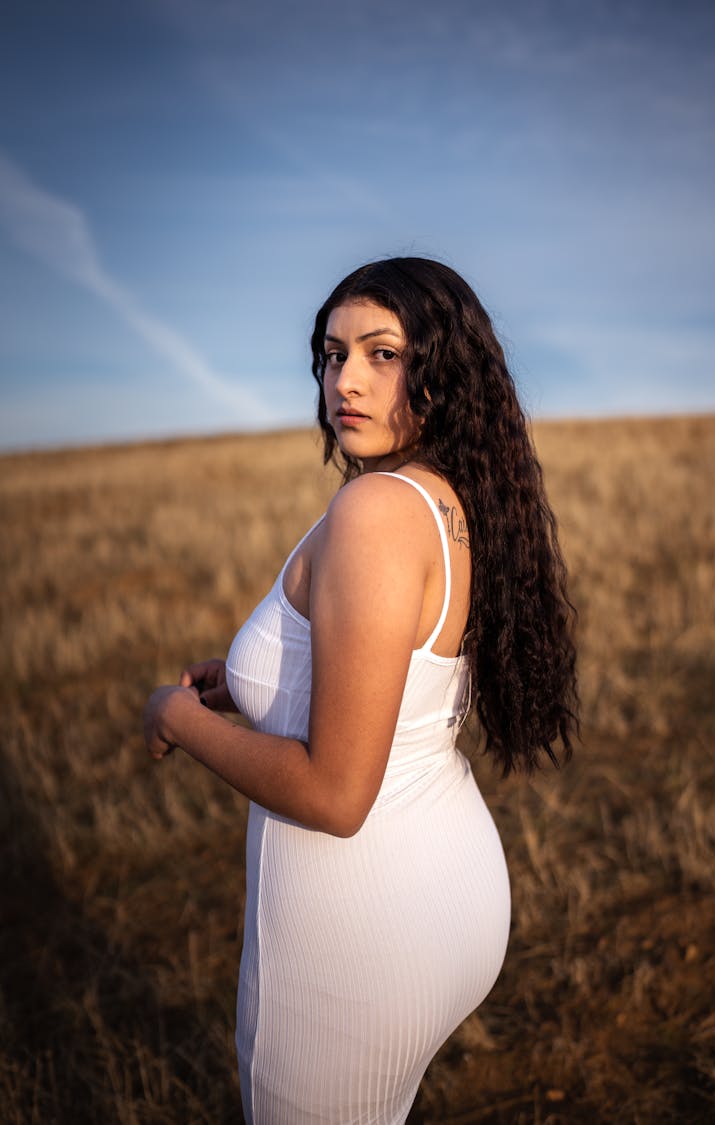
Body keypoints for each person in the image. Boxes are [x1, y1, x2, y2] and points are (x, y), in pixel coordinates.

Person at [143, 257, 578, 1124]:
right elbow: (401, 678)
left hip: (359, 924)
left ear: (442, 368)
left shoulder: (376, 513)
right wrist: (246, 684)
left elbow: (336, 794)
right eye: (334, 354)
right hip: (440, 890)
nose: (347, 380)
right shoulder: (450, 496)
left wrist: (178, 719)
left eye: (383, 354)